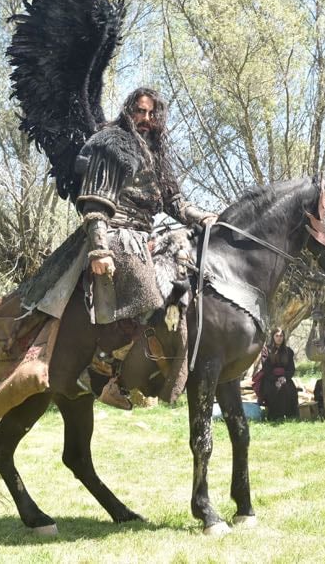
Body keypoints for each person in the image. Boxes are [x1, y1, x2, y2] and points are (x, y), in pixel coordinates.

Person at [49, 88, 215, 409]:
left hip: (144, 238)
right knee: (148, 295)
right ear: (129, 111)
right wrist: (99, 249)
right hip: (115, 235)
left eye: (152, 114)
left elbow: (175, 203)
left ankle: (143, 373)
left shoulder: (157, 157)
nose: (146, 119)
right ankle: (100, 366)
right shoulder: (112, 143)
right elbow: (96, 200)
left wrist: (204, 217)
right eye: (140, 112)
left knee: (180, 284)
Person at [257, 327, 299, 421]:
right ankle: (275, 416)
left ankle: (290, 415)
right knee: (275, 389)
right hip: (270, 379)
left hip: (285, 378)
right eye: (277, 336)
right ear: (273, 337)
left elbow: (291, 368)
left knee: (290, 389)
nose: (279, 338)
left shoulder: (288, 351)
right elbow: (266, 368)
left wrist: (284, 377)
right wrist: (275, 379)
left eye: (281, 336)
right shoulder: (266, 350)